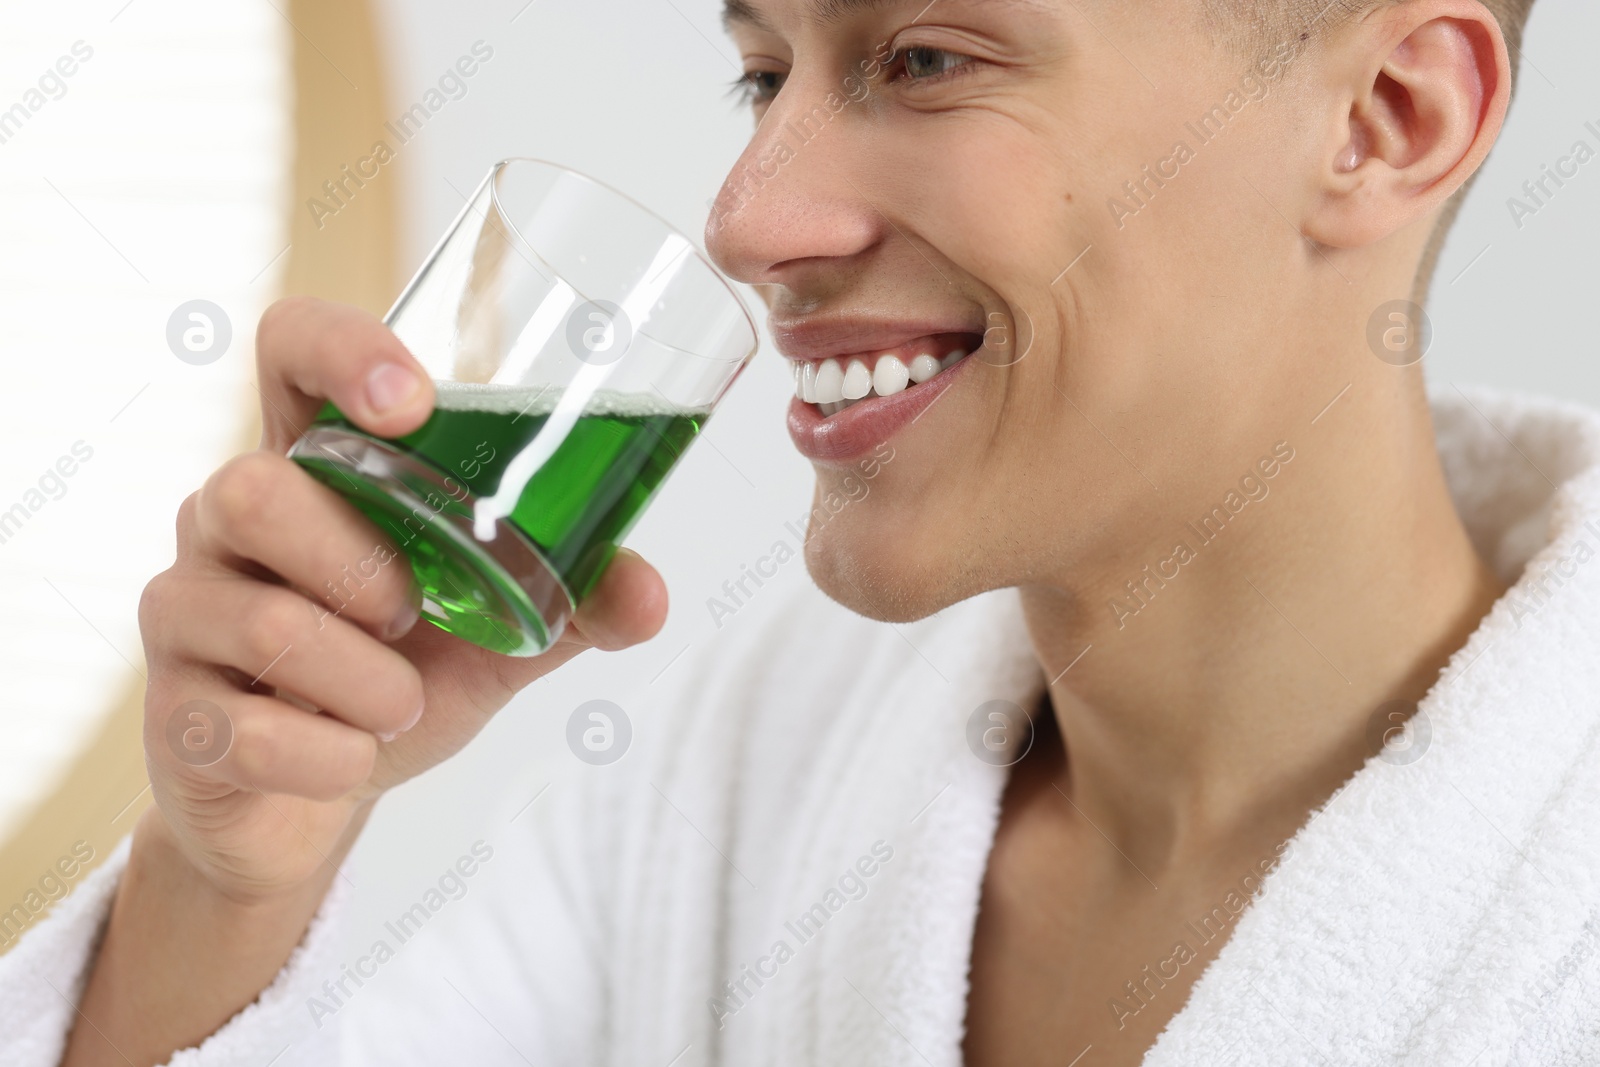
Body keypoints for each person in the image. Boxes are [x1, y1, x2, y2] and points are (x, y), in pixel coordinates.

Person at [8, 0, 1598, 1063]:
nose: (749, 220)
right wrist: (225, 878)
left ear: (1390, 117)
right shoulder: (760, 759)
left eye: (925, 59)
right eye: (762, 72)